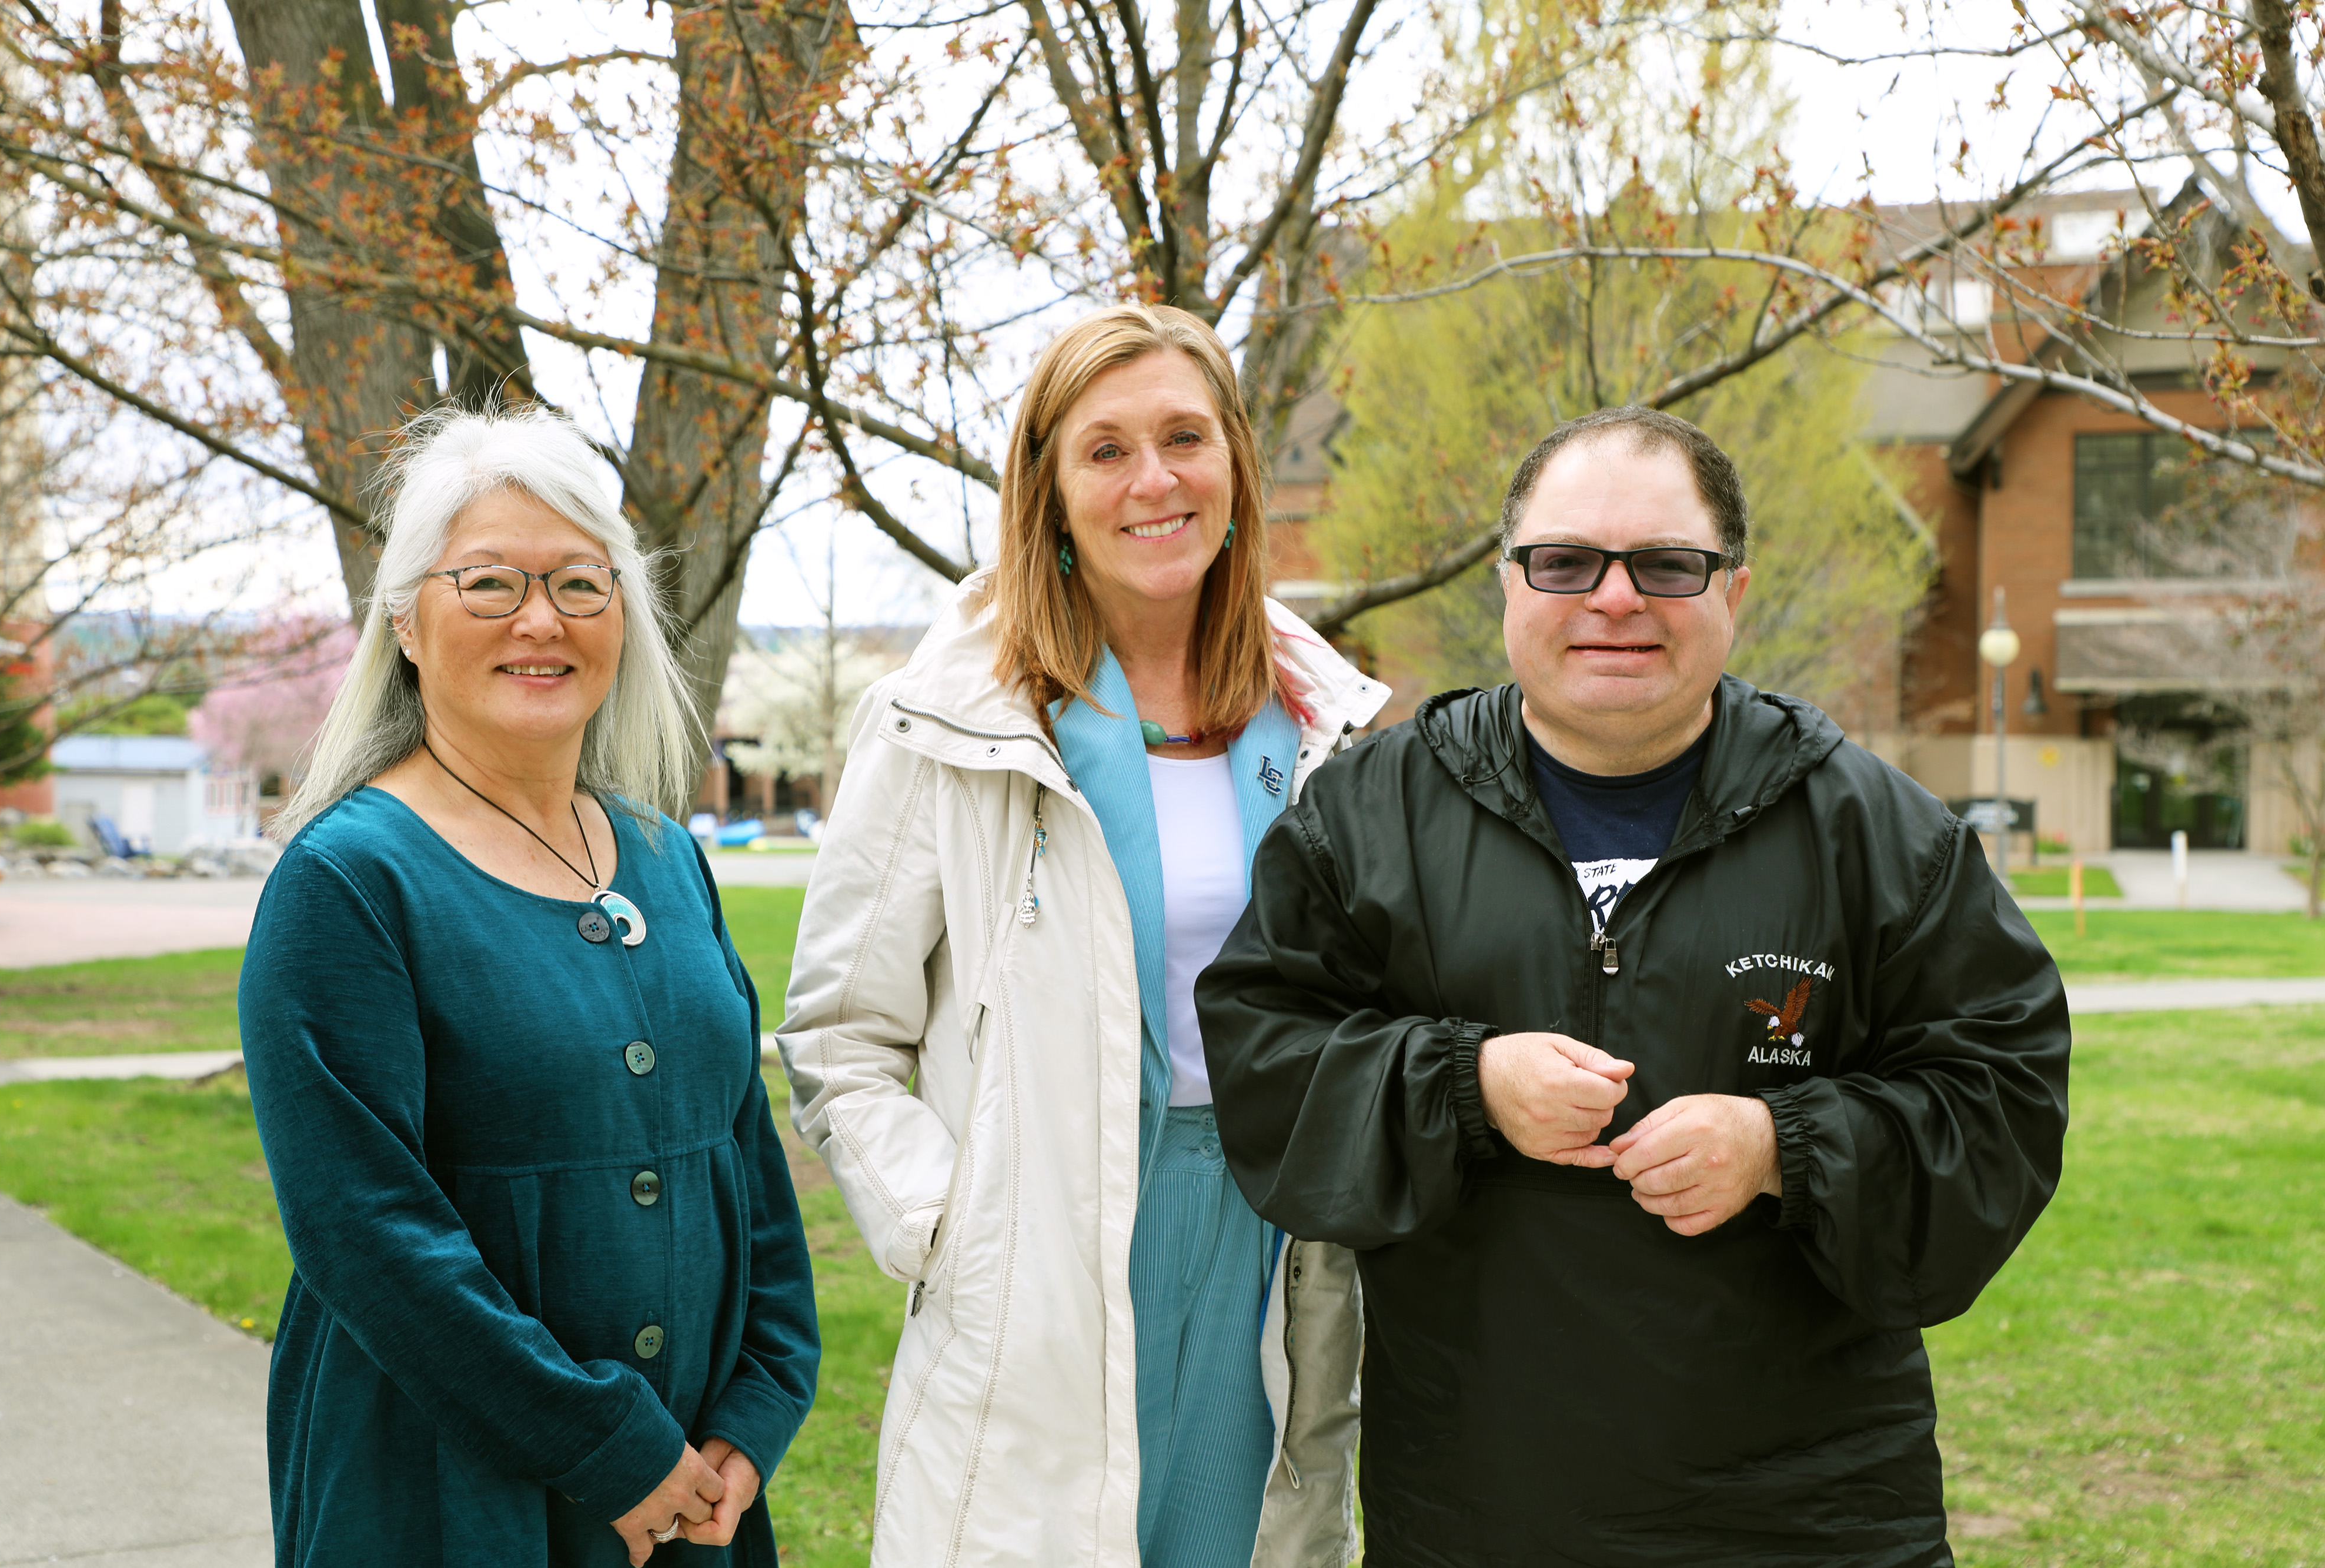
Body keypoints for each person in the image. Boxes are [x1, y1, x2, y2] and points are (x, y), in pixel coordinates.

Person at [1196, 405, 2070, 1567]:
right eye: (1563, 561)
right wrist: (1465, 1080)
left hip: (1810, 1512)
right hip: (1482, 1507)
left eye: (1666, 564)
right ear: (1509, 583)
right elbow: (1262, 1059)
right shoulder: (1371, 820)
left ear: (1734, 593)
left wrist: (1782, 1145)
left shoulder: (1872, 833)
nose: (1614, 598)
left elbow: (2002, 1102)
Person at [776, 303, 1387, 1568]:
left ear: (1235, 468)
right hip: (1039, 1255)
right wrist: (952, 1228)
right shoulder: (944, 721)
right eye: (1104, 450)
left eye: (1183, 437)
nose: (1152, 479)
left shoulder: (1327, 726)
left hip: (1270, 1235)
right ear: (1048, 491)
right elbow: (838, 1034)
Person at [242, 404, 820, 1567]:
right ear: (407, 618)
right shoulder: (349, 883)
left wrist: (754, 1409)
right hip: (444, 1501)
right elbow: (367, 1232)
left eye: (578, 584)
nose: (541, 620)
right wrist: (605, 1444)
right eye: (491, 584)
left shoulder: (667, 858)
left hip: (691, 1497)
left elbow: (744, 1160)